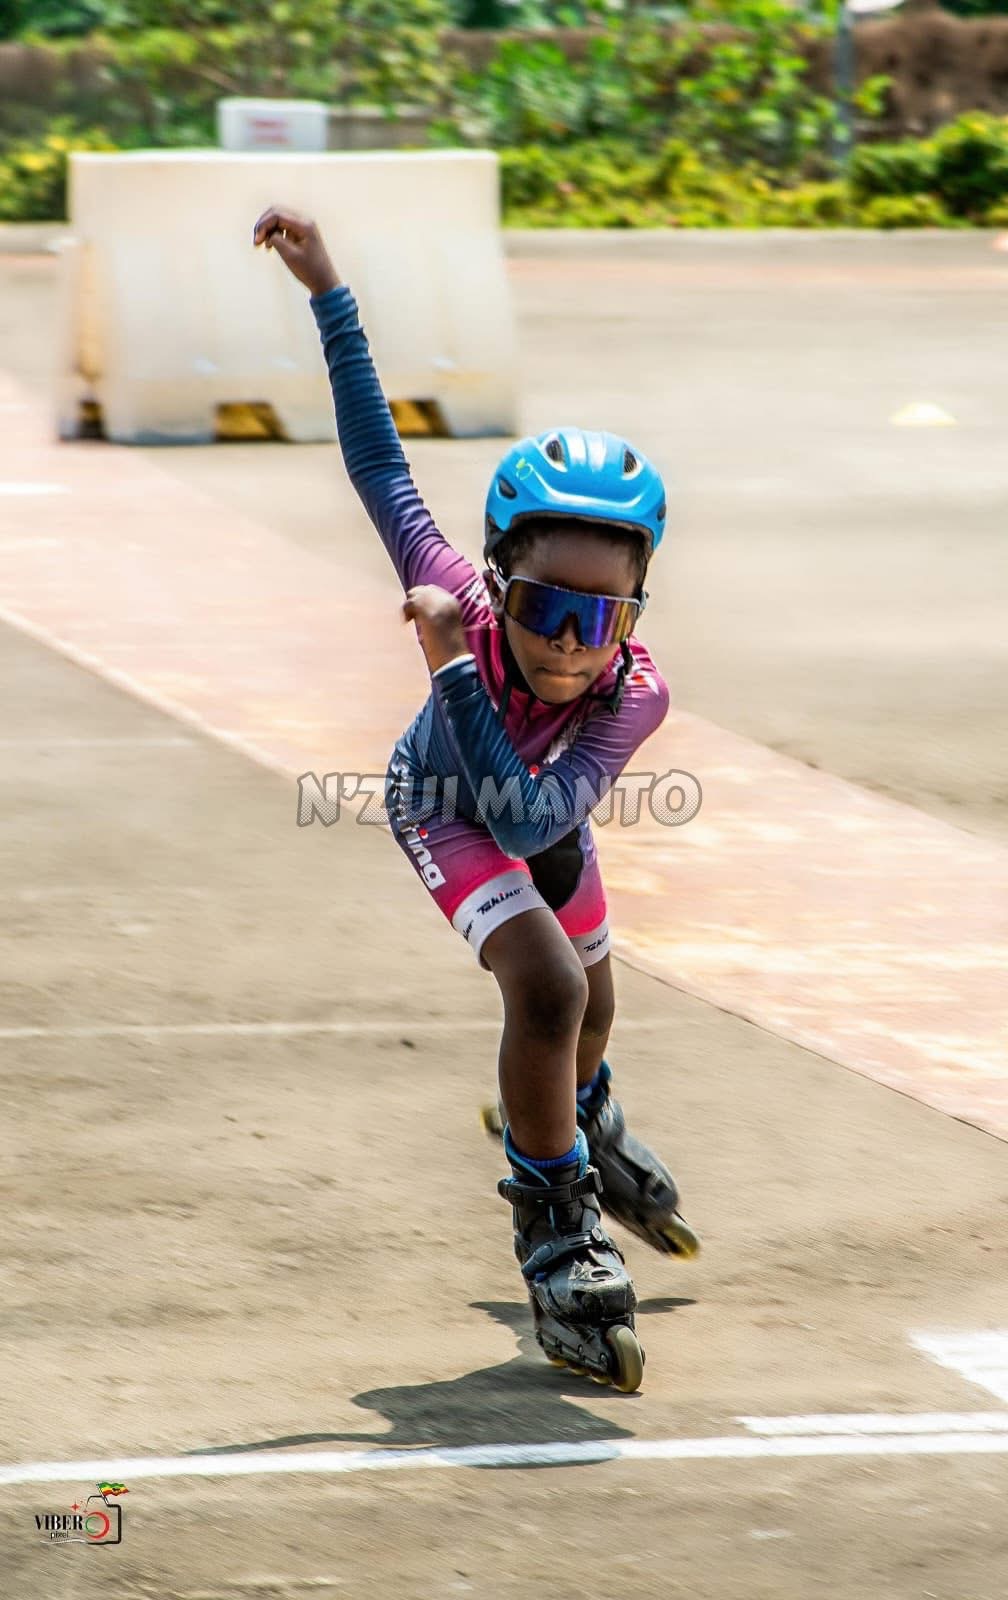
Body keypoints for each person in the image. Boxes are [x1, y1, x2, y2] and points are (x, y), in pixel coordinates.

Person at [253, 206, 698, 1393]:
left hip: (540, 799)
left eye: (600, 619)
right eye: (546, 607)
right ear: (495, 581)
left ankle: (574, 1119)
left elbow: (541, 818)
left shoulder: (633, 696)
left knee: (593, 1010)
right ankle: (556, 1223)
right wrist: (328, 286)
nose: (568, 643)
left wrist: (451, 661)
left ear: (635, 621)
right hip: (440, 799)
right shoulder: (455, 592)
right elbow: (376, 463)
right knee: (546, 987)